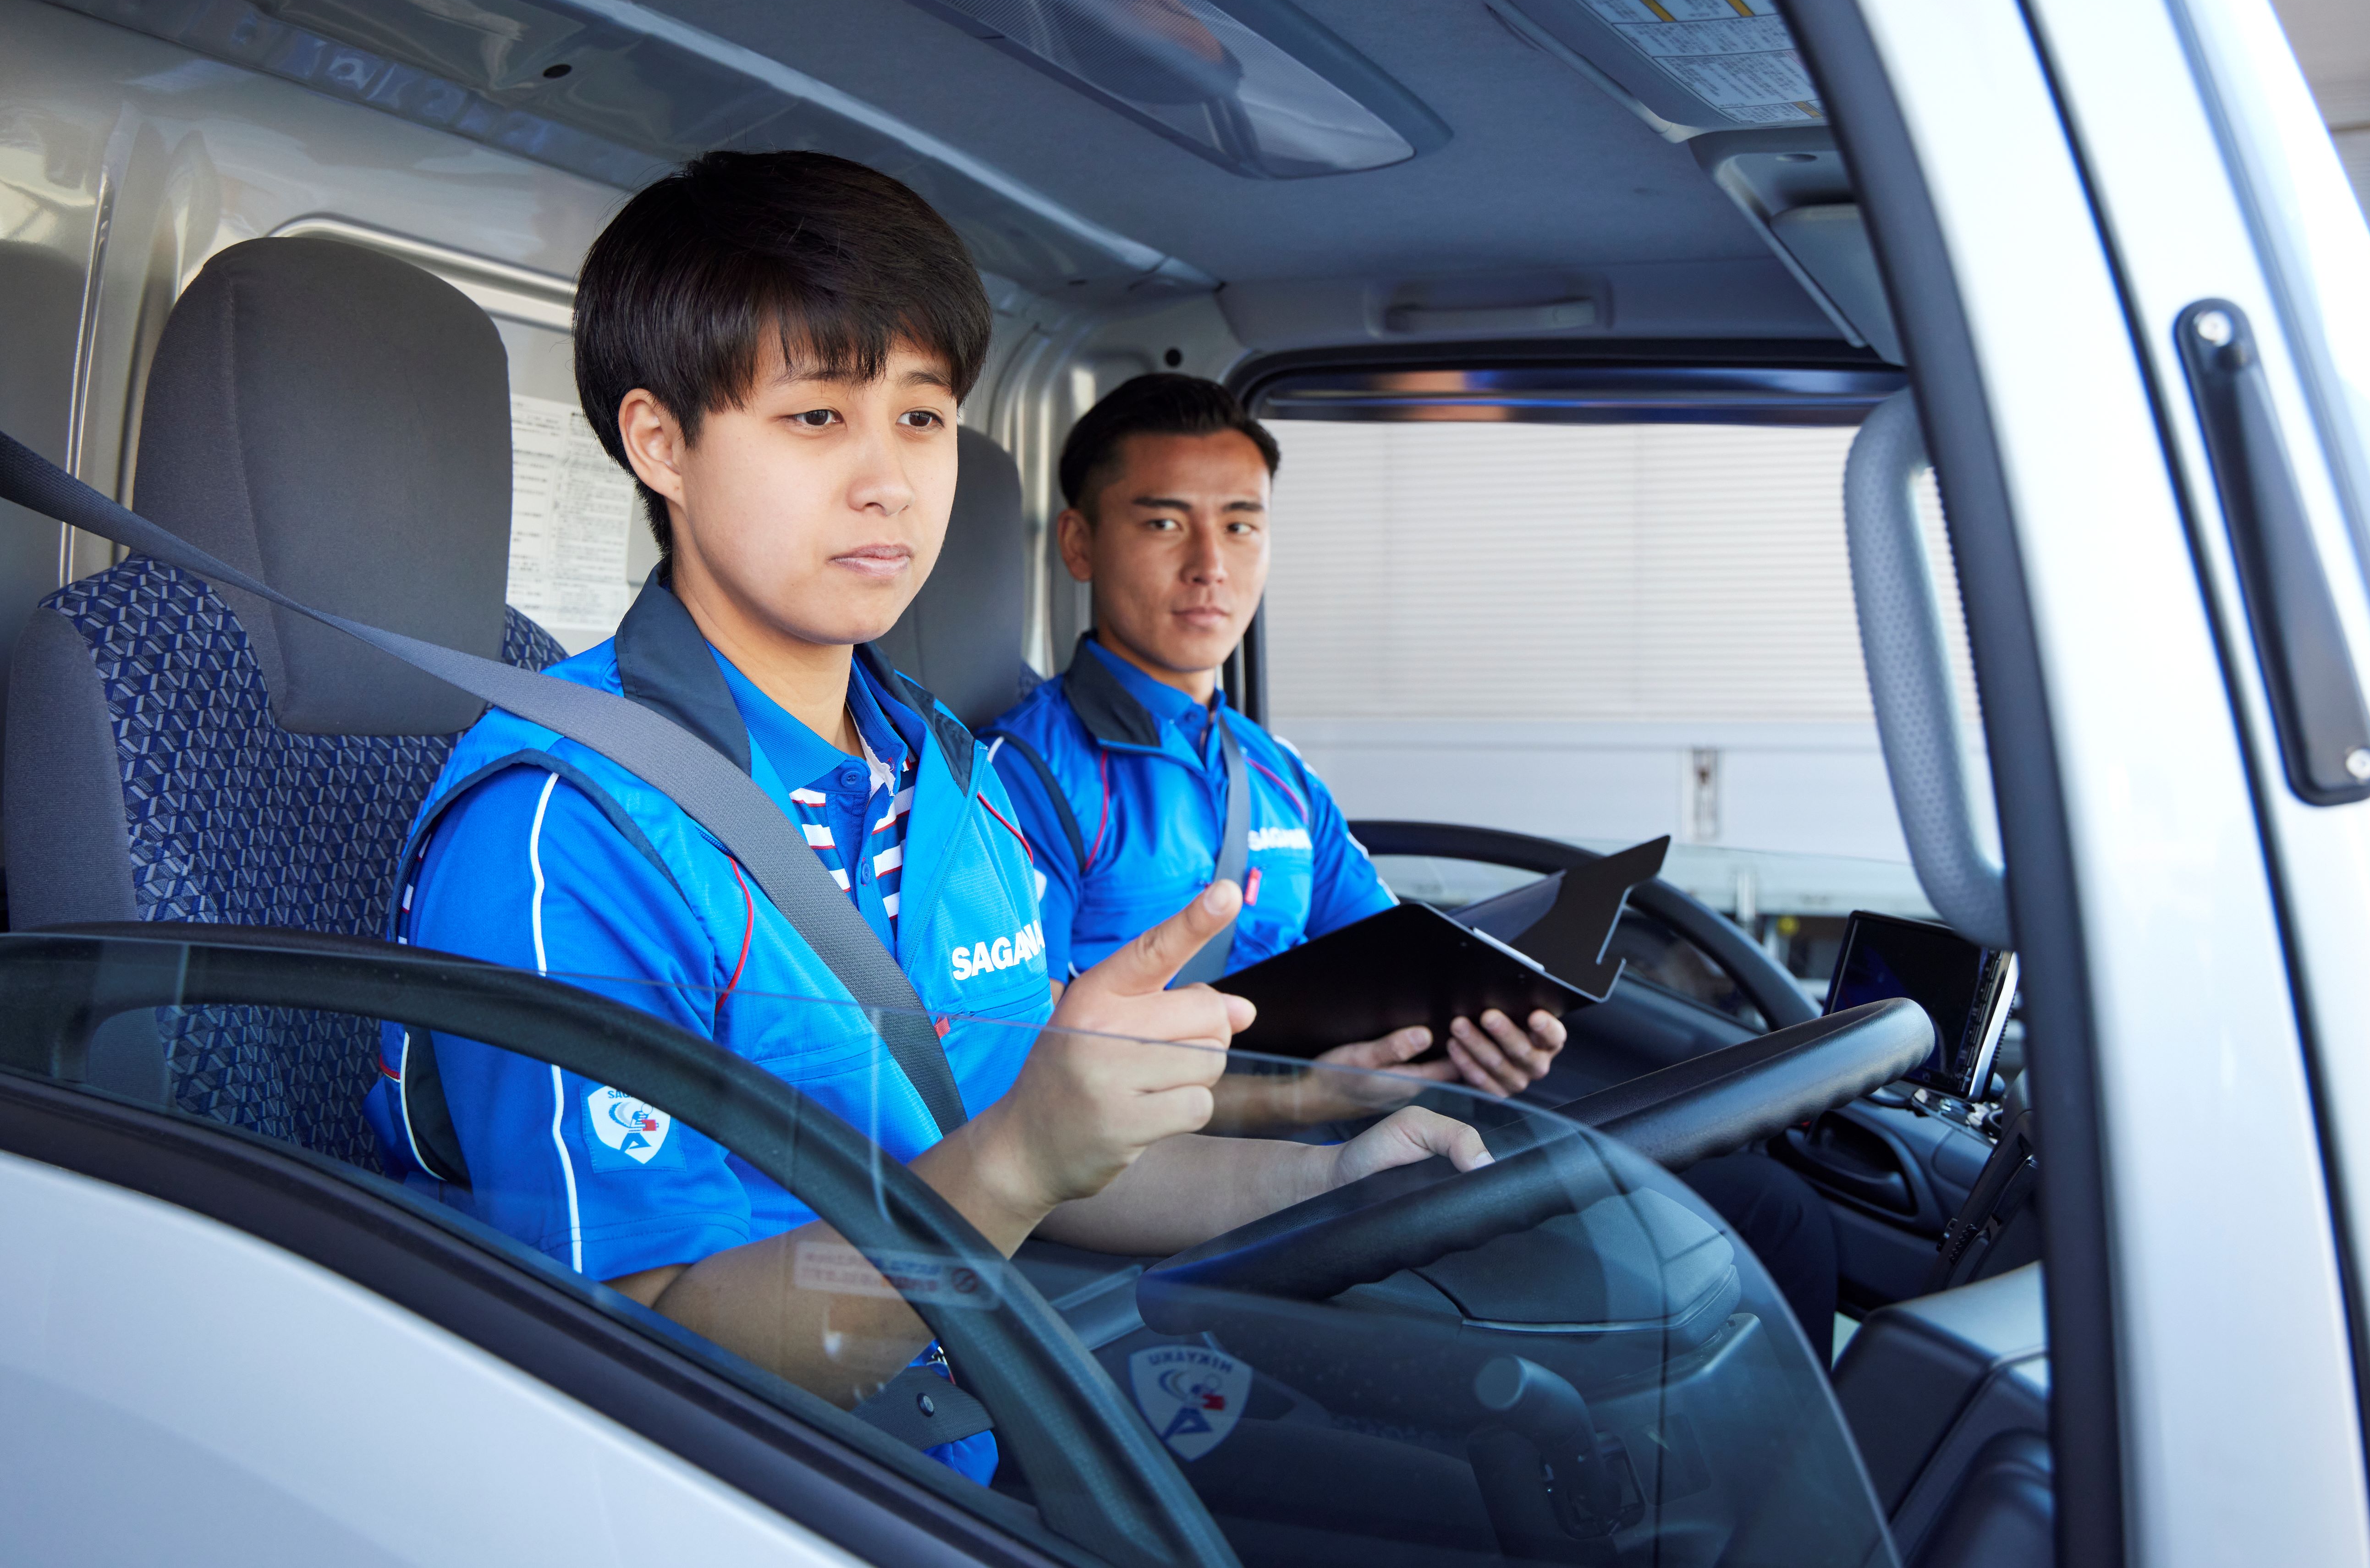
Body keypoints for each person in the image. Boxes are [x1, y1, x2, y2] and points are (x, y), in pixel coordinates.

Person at [363, 154, 1491, 1482]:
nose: (891, 483)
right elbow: (644, 1348)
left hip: (976, 1440)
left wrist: (1336, 1180)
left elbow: (1055, 1146)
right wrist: (1014, 1163)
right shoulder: (571, 827)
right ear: (661, 442)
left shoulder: (949, 774)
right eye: (816, 417)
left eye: (920, 416)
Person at [984, 374, 1839, 1357]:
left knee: (1763, 1204)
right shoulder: (1023, 777)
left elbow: (1392, 959)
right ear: (1080, 544)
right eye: (1164, 523)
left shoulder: (1275, 773)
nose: (1210, 565)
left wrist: (1474, 1032)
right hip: (1192, 1192)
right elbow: (1028, 1069)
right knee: (1724, 1243)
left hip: (1355, 1133)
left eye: (1242, 525)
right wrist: (1306, 1099)